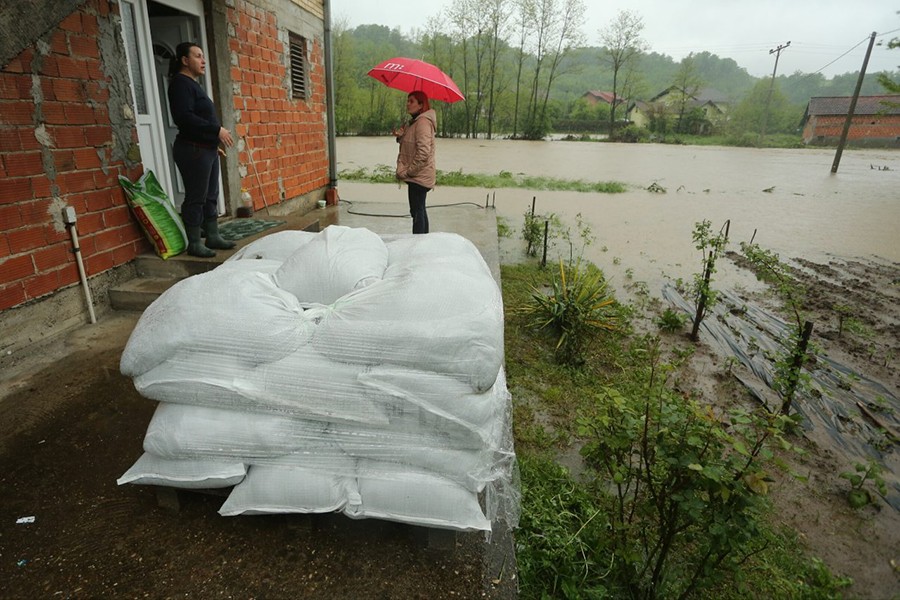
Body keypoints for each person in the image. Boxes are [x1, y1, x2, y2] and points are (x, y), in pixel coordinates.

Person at [167, 42, 235, 257]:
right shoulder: (180, 84)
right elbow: (185, 118)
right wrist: (216, 130)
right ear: (184, 60)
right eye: (198, 56)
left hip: (206, 150)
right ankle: (195, 243)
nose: (203, 61)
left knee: (211, 195)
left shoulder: (192, 84)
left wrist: (213, 145)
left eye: (203, 56)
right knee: (196, 197)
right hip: (193, 150)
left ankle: (213, 236)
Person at [393, 91, 436, 234]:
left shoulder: (423, 123)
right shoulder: (416, 122)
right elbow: (411, 145)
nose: (408, 104)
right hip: (417, 175)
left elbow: (423, 152)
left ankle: (418, 242)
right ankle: (424, 240)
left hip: (418, 176)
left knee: (417, 212)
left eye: (411, 101)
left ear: (421, 105)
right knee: (419, 210)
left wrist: (409, 172)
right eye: (408, 101)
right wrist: (401, 137)